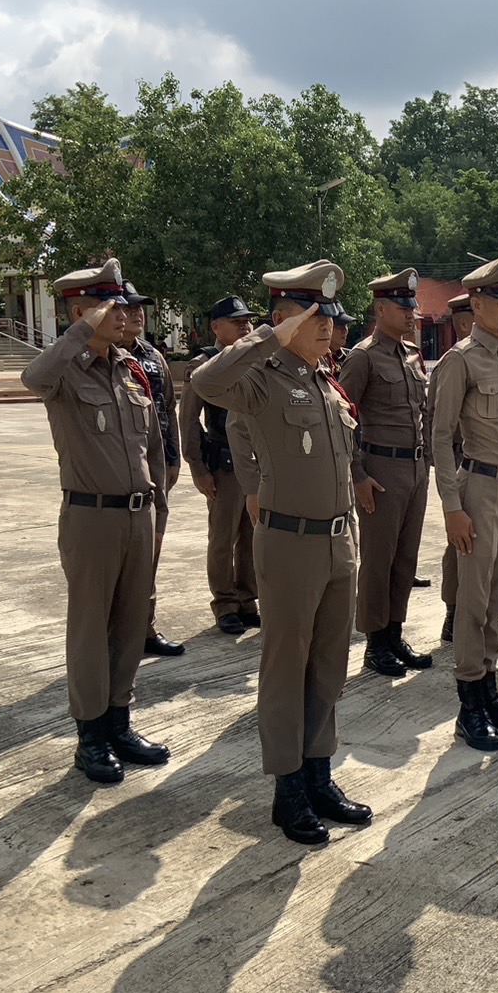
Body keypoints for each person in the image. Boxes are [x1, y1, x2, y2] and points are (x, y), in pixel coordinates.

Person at [190, 259, 371, 843]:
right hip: (290, 543)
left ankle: (319, 775)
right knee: (286, 669)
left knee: (328, 667)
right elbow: (206, 384)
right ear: (284, 320)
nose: (328, 326)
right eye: (314, 317)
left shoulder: (324, 381)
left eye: (330, 317)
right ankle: (287, 788)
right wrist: (268, 337)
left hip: (339, 541)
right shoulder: (261, 379)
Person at [20, 259, 171, 782]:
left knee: (130, 624)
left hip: (137, 515)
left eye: (123, 304)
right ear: (80, 312)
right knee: (90, 628)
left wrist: (157, 508)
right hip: (91, 516)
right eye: (109, 306)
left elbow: (152, 449)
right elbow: (32, 378)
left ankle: (119, 721)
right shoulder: (64, 371)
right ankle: (90, 737)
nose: (123, 313)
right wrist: (81, 333)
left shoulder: (131, 369)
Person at [431, 254, 498, 752]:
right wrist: (452, 507)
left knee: (497, 597)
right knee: (473, 603)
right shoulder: (461, 360)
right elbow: (440, 438)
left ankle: (489, 690)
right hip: (476, 490)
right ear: (476, 304)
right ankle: (469, 705)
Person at [339, 268, 433, 677]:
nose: (411, 313)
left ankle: (395, 633)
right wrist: (357, 474)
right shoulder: (363, 357)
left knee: (405, 558)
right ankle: (375, 643)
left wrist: (426, 462)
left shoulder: (412, 355)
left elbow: (422, 413)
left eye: (412, 307)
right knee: (379, 560)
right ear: (380, 309)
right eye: (402, 307)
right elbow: (342, 417)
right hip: (381, 469)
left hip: (414, 469)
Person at [180, 296, 260, 637]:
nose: (246, 326)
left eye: (248, 321)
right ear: (216, 327)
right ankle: (225, 603)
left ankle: (247, 599)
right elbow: (188, 420)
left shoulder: (254, 360)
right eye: (237, 322)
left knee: (253, 535)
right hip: (223, 465)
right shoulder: (204, 364)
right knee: (223, 538)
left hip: (254, 463)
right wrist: (197, 467)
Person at [121, 282, 185, 656]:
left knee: (152, 547)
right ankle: (120, 632)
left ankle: (145, 627)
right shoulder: (100, 356)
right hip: (122, 466)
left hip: (156, 464)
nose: (136, 314)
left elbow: (168, 409)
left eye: (139, 308)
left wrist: (174, 458)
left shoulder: (153, 357)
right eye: (128, 307)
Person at [435, 293, 476, 643]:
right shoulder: (453, 363)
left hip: (480, 460)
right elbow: (438, 429)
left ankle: (472, 612)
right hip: (460, 463)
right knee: (457, 545)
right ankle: (452, 611)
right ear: (465, 323)